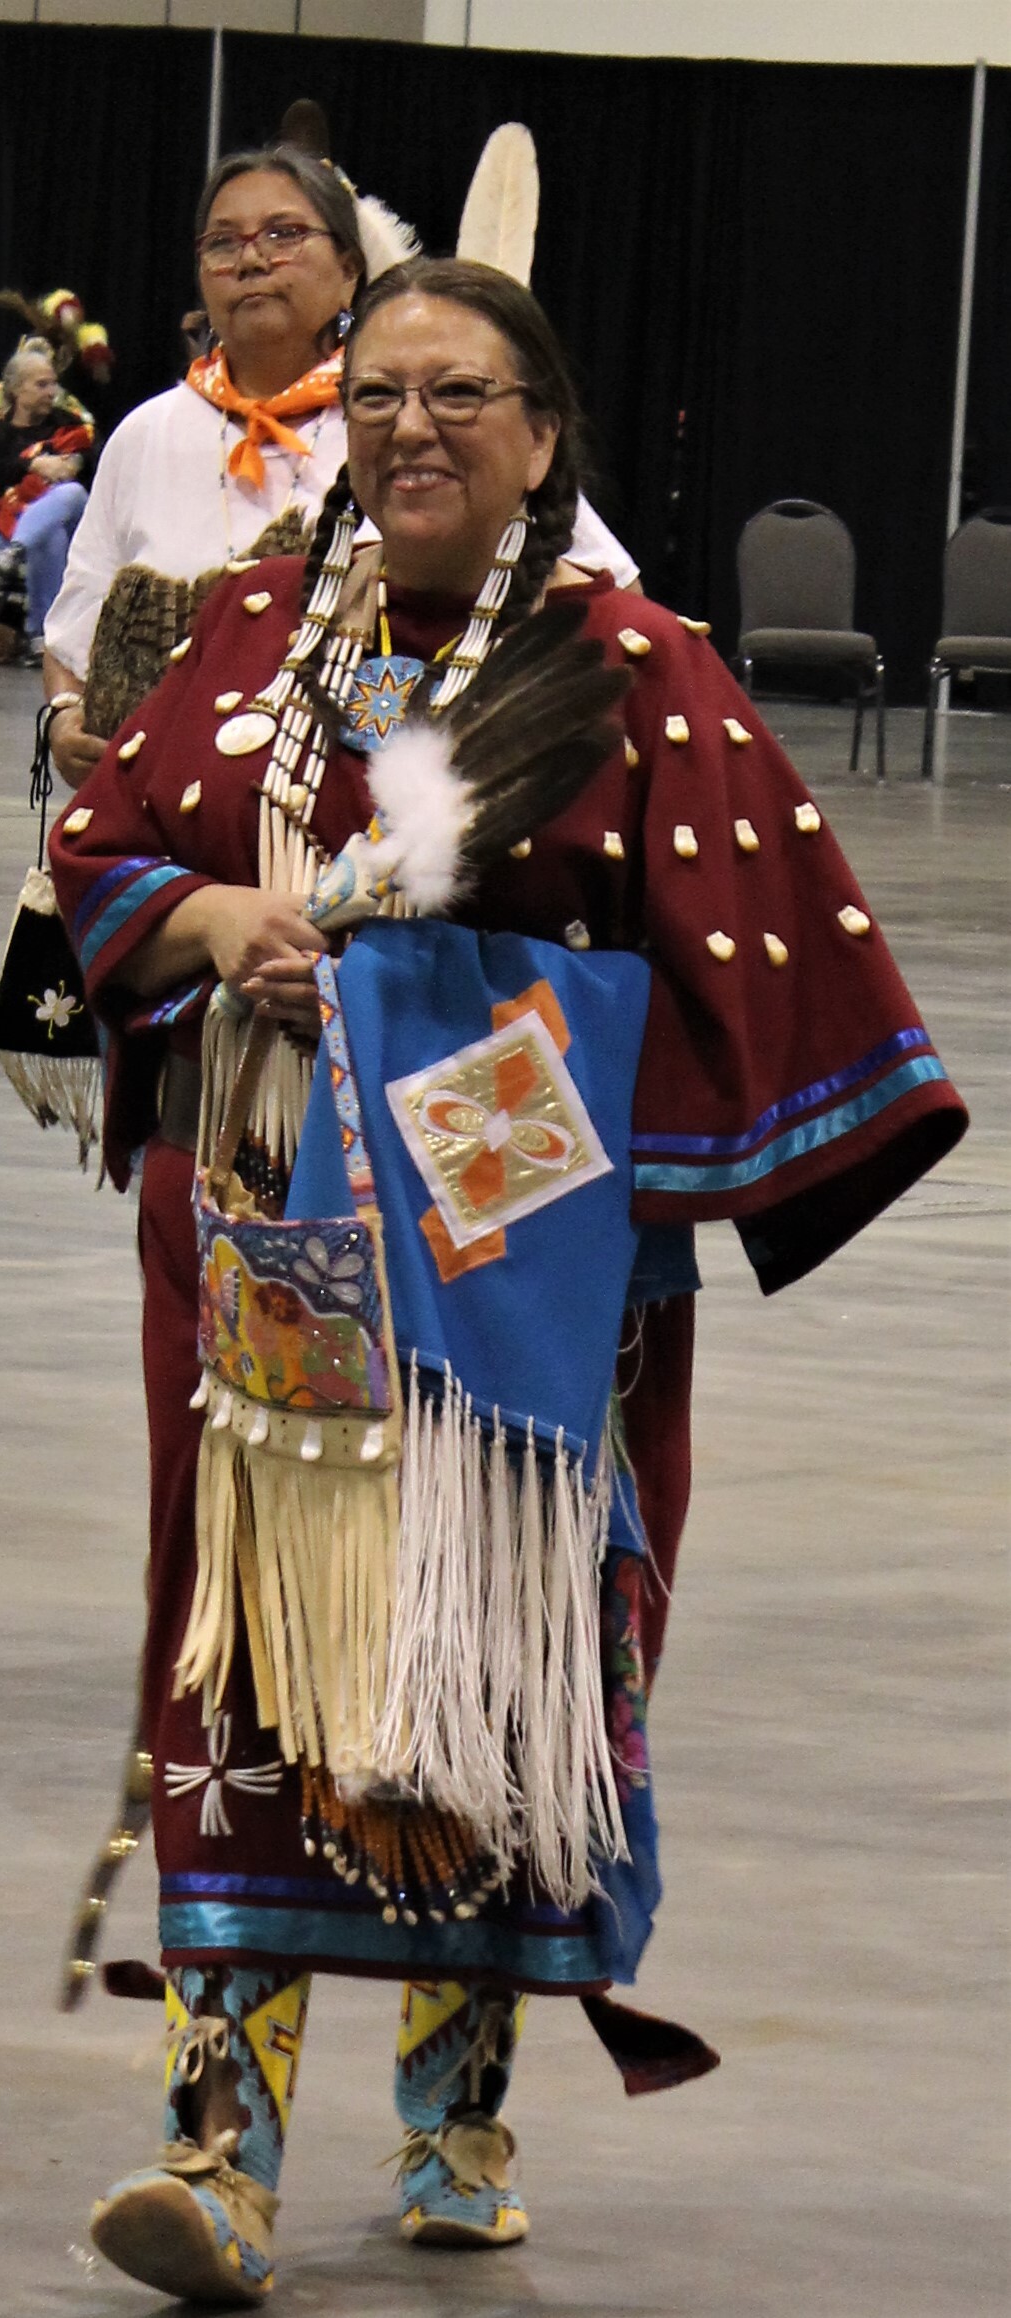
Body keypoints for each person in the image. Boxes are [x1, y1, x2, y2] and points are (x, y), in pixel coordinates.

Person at [48, 259, 965, 2307]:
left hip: (523, 1288)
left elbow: (766, 951)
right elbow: (102, 841)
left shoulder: (624, 665)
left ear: (541, 430)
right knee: (250, 1660)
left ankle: (457, 2107)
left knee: (483, 1662)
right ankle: (220, 2145)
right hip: (261, 1246)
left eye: (455, 394)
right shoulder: (260, 637)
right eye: (375, 395)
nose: (404, 429)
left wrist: (488, 1050)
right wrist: (213, 913)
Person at [42, 141, 639, 790]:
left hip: (369, 812)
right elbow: (76, 624)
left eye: (284, 234)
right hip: (163, 804)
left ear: (350, 268)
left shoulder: (422, 424)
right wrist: (64, 717)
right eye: (223, 242)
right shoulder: (147, 434)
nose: (251, 259)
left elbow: (608, 594)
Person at [0, 347, 92, 661]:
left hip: (67, 517)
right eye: (41, 385)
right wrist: (33, 467)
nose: (52, 392)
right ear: (16, 389)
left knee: (72, 493)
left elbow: (94, 466)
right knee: (49, 536)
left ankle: (13, 554)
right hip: (3, 522)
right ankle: (42, 638)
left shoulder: (69, 425)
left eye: (53, 384)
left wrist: (73, 463)